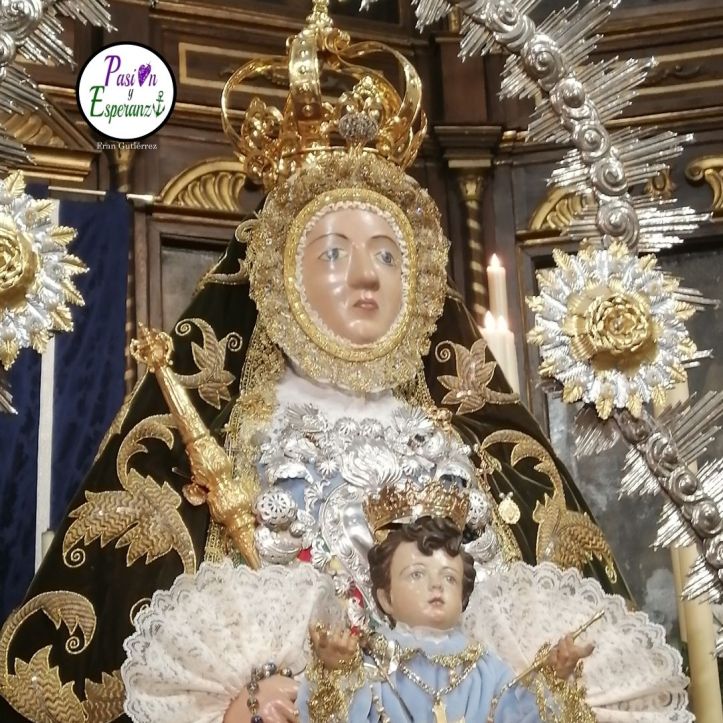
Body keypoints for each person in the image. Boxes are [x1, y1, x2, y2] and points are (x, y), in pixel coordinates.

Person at [0, 4, 627, 722]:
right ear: (281, 276)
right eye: (334, 253)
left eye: (387, 254)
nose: (366, 277)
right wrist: (243, 701)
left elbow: (536, 634)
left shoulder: (475, 443)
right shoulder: (229, 438)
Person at [298, 515, 594, 723]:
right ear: (386, 599)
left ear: (463, 598)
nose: (436, 585)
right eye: (417, 574)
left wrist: (554, 679)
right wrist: (337, 673)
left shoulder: (486, 669)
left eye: (449, 578)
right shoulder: (371, 666)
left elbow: (519, 715)